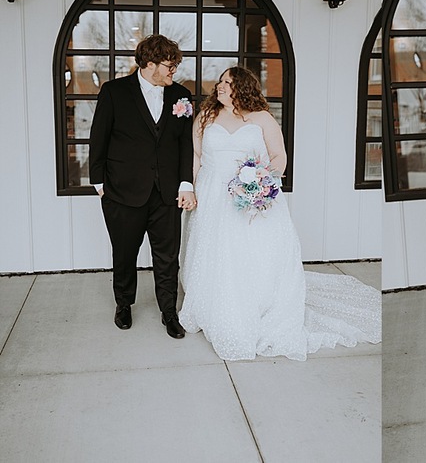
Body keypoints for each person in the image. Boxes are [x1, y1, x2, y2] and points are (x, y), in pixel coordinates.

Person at [178, 66, 380, 361]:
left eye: (227, 82)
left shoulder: (262, 118)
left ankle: (254, 305)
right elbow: (196, 156)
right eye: (220, 81)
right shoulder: (206, 116)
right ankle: (213, 304)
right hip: (211, 194)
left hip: (249, 195)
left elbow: (278, 157)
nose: (220, 85)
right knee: (213, 251)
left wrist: (261, 182)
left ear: (242, 88)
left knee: (251, 253)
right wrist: (191, 189)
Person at [89, 34, 195, 339]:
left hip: (167, 193)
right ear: (149, 64)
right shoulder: (114, 92)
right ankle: (123, 304)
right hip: (122, 191)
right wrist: (99, 183)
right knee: (124, 254)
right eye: (169, 65)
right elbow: (98, 137)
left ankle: (169, 312)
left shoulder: (181, 96)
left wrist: (185, 182)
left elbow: (185, 143)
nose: (174, 71)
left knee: (167, 257)